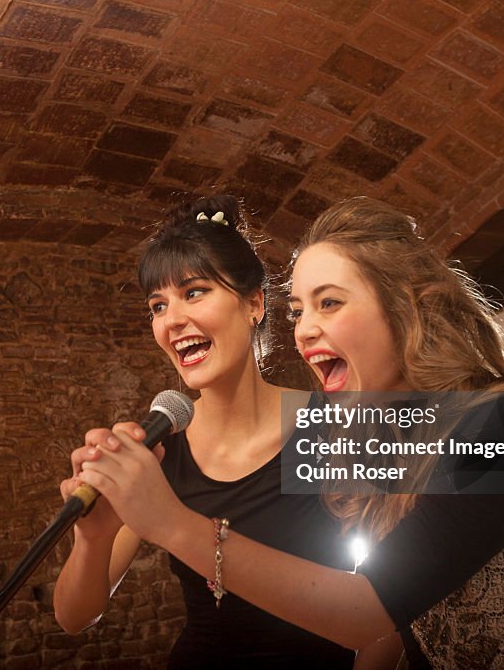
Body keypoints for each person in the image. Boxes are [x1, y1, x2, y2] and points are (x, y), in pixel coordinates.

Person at [76, 197, 504, 668]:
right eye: (300, 310)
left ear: (403, 306)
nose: (305, 331)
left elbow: (368, 609)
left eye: (331, 303)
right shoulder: (379, 444)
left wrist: (171, 523)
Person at [52, 195, 356, 668]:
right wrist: (92, 539)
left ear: (253, 302)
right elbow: (74, 617)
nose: (171, 320)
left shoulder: (337, 423)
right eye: (157, 305)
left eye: (193, 292)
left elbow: (388, 615)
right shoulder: (160, 452)